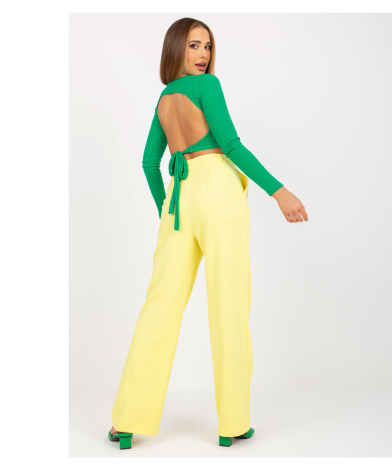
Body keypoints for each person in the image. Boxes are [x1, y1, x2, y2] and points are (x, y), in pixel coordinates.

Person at [108, 17, 308, 450]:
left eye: (208, 46)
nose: (203, 55)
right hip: (217, 190)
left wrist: (166, 210)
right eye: (194, 45)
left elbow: (149, 163)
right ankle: (232, 422)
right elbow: (230, 146)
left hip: (178, 200)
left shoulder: (164, 98)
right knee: (229, 302)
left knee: (159, 306)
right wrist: (279, 191)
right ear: (175, 48)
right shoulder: (208, 86)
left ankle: (126, 420)